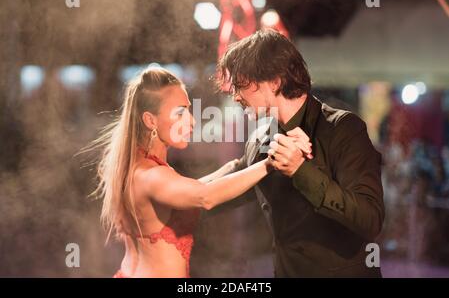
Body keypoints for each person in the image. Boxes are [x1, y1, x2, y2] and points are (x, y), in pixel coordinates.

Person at [215, 29, 385, 277]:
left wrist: (301, 171)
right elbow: (220, 189)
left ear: (275, 81)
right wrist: (161, 187)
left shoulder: (342, 129)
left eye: (242, 81)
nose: (235, 94)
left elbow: (371, 220)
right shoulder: (259, 139)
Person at [86, 67, 272, 277]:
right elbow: (205, 196)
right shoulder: (152, 176)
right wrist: (271, 163)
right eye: (180, 112)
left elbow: (196, 187)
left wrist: (236, 166)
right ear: (151, 121)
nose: (191, 121)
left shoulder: (140, 167)